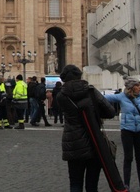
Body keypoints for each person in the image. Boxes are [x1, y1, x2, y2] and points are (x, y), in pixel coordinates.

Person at [57, 64, 116, 192]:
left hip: (73, 142)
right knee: (92, 185)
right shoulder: (91, 91)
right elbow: (110, 112)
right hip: (94, 140)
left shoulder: (61, 96)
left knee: (75, 184)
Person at [104, 77, 140, 192]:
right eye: (138, 85)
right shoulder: (121, 96)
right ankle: (126, 184)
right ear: (132, 87)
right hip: (127, 129)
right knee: (128, 157)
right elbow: (104, 98)